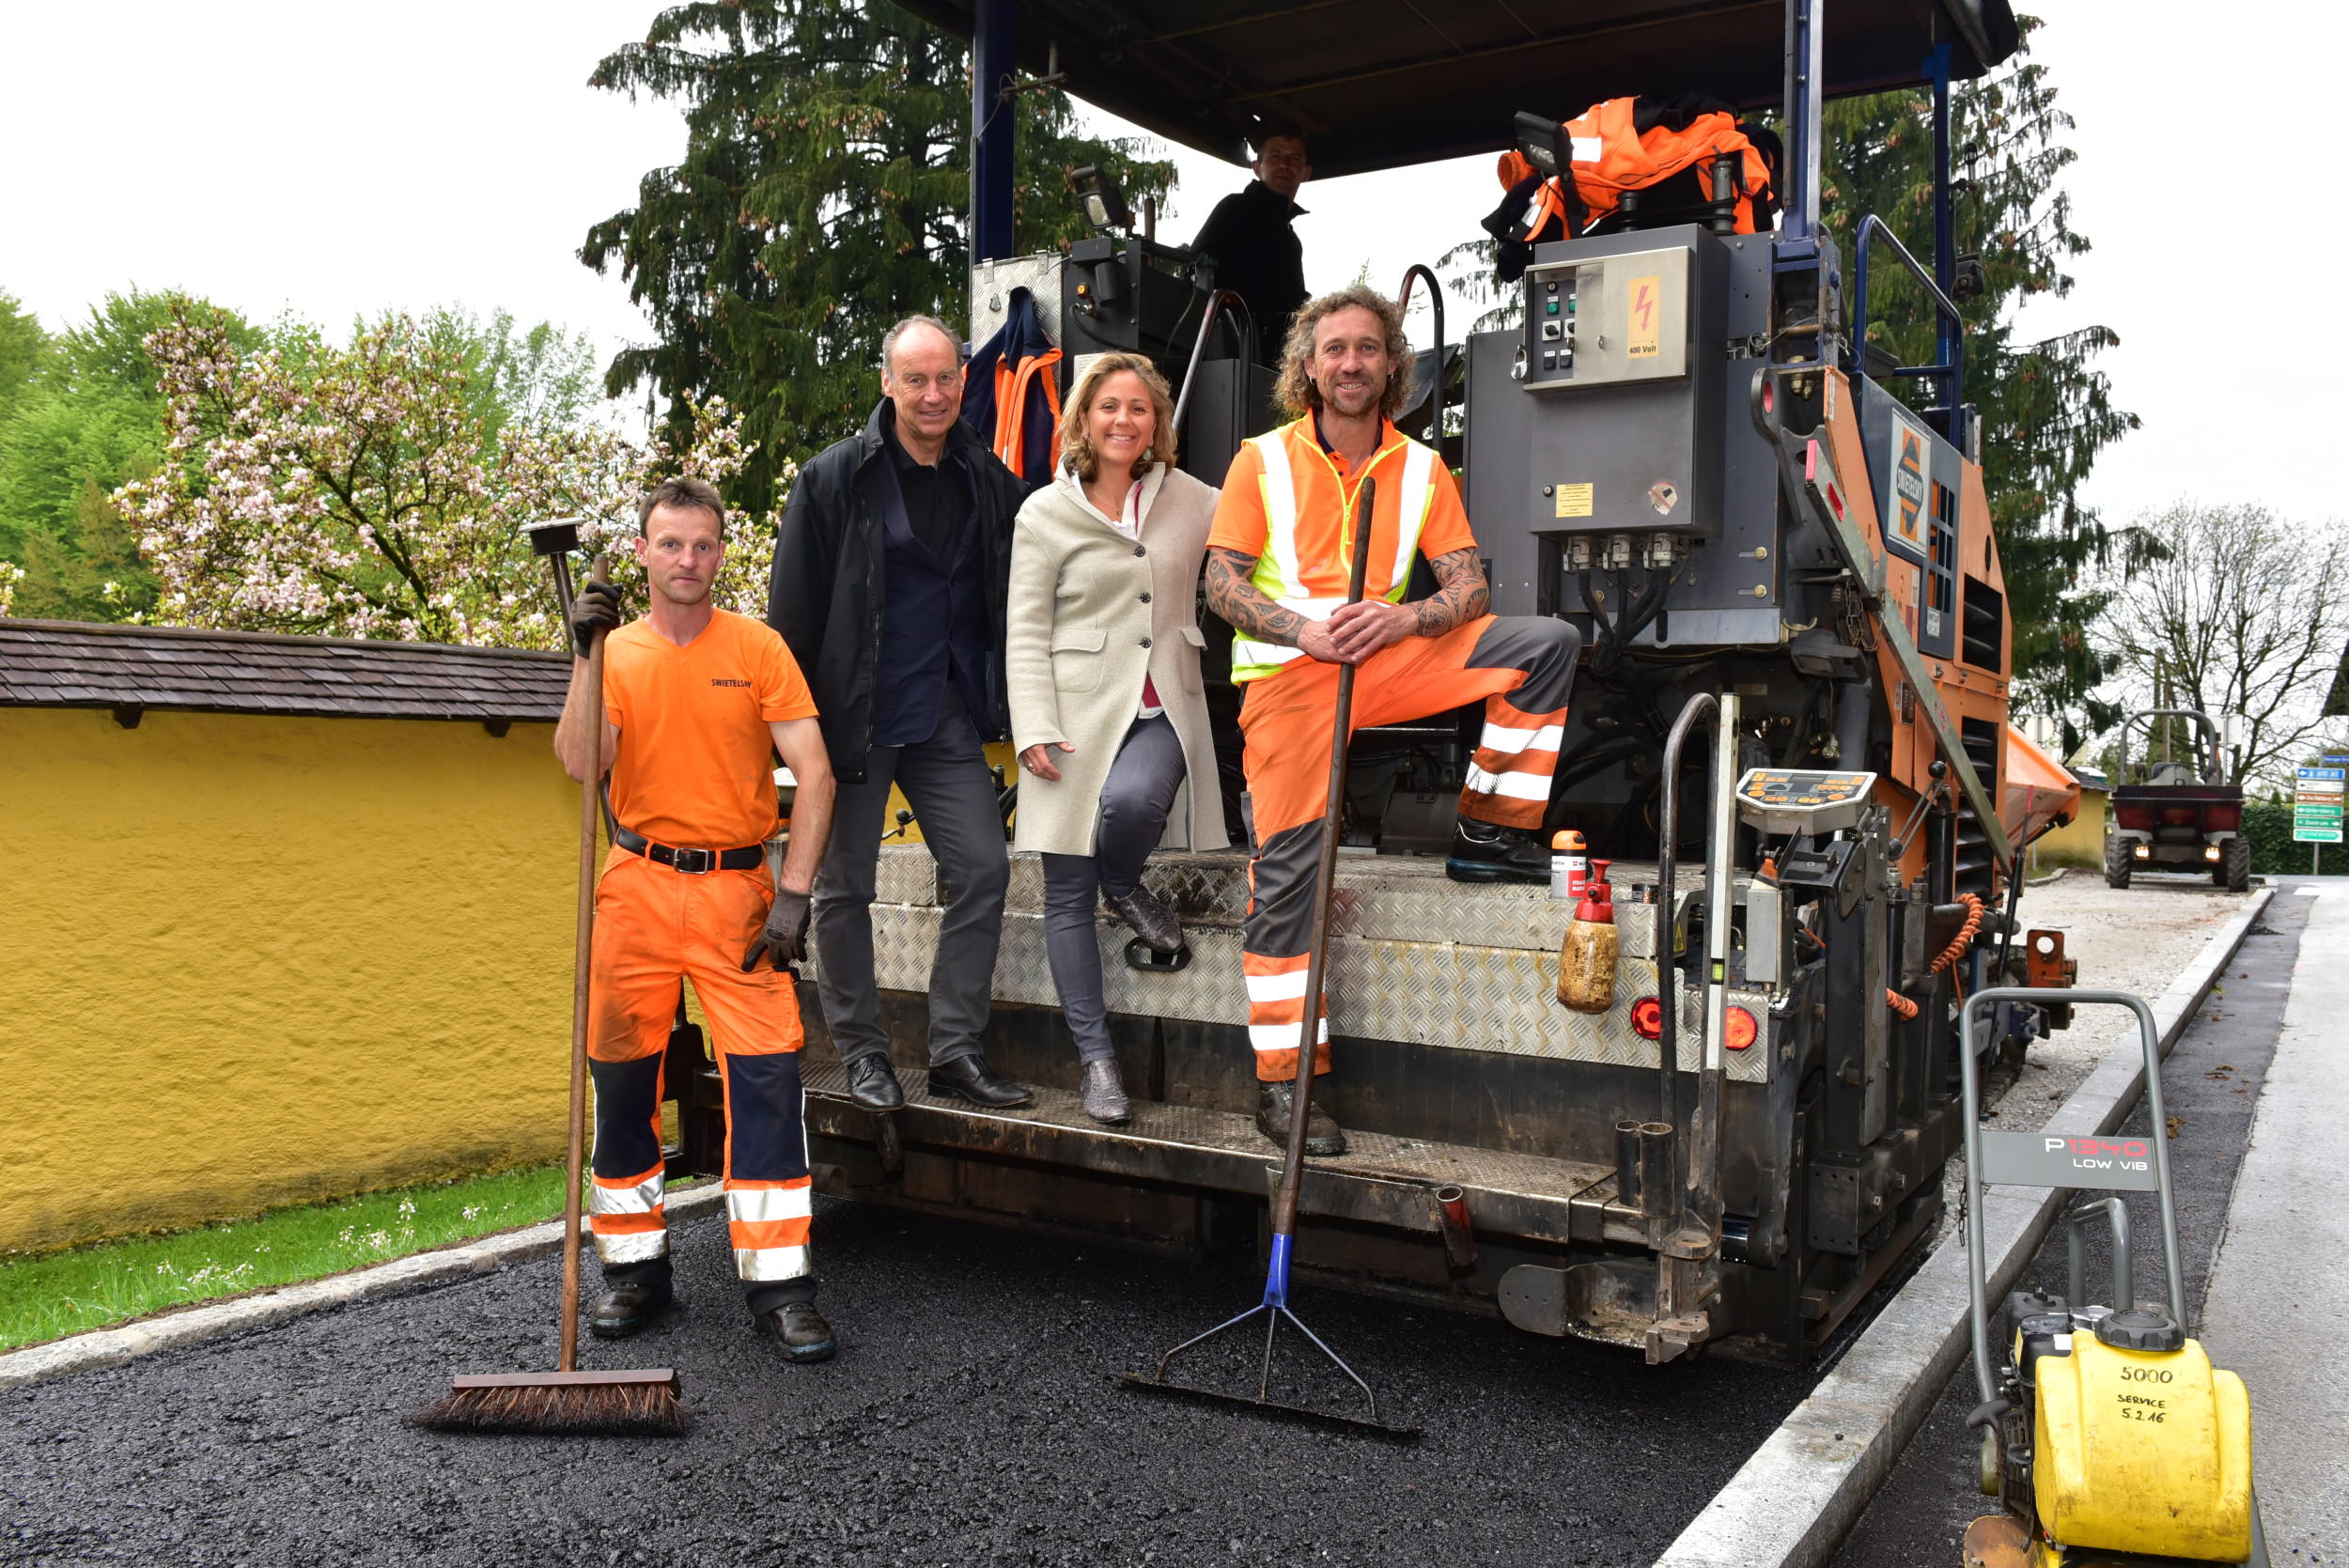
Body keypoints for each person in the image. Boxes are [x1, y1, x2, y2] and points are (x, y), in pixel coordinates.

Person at [1203, 286, 1583, 1157]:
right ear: (1308, 366)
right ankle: (1286, 1084)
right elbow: (1220, 582)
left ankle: (1487, 834)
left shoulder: (1421, 466)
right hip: (1292, 676)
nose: (1351, 363)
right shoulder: (1260, 460)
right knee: (1290, 877)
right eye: (1334, 349)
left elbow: (1469, 586)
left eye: (1367, 349)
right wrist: (1303, 630)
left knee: (1545, 645)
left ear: (1391, 365)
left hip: (1386, 658)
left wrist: (1404, 618)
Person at [555, 475, 841, 1361]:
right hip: (635, 884)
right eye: (670, 543)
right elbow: (580, 764)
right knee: (623, 1085)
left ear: (721, 553)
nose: (687, 559)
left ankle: (781, 1286)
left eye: (703, 544)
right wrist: (583, 656)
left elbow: (816, 773)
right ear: (643, 552)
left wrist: (794, 894)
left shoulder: (758, 648)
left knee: (767, 1080)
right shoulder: (616, 652)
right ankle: (633, 1271)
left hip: (735, 892)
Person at [767, 316, 1033, 1115]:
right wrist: (794, 735)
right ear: (887, 383)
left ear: (963, 379)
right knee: (845, 886)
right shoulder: (832, 478)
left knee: (984, 868)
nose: (932, 394)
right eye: (915, 379)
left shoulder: (987, 477)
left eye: (945, 377)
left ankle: (955, 1052)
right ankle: (862, 1052)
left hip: (944, 712)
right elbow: (791, 616)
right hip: (851, 716)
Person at [1004, 352, 1229, 1126]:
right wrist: (1033, 723)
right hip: (1071, 713)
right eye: (1108, 407)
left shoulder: (1197, 499)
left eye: (1138, 407)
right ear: (1083, 419)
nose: (1124, 420)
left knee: (1135, 803)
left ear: (1156, 420)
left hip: (1165, 701)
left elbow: (1258, 546)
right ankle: (1097, 1059)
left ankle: (1125, 881)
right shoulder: (1043, 513)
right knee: (1065, 893)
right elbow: (1025, 628)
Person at [1192, 130, 1313, 365]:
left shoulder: (1291, 241)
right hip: (1227, 354)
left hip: (1276, 360)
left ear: (1306, 173)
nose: (1285, 165)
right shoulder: (1233, 208)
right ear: (1257, 167)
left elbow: (1295, 305)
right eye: (1276, 156)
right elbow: (1195, 268)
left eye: (1294, 158)